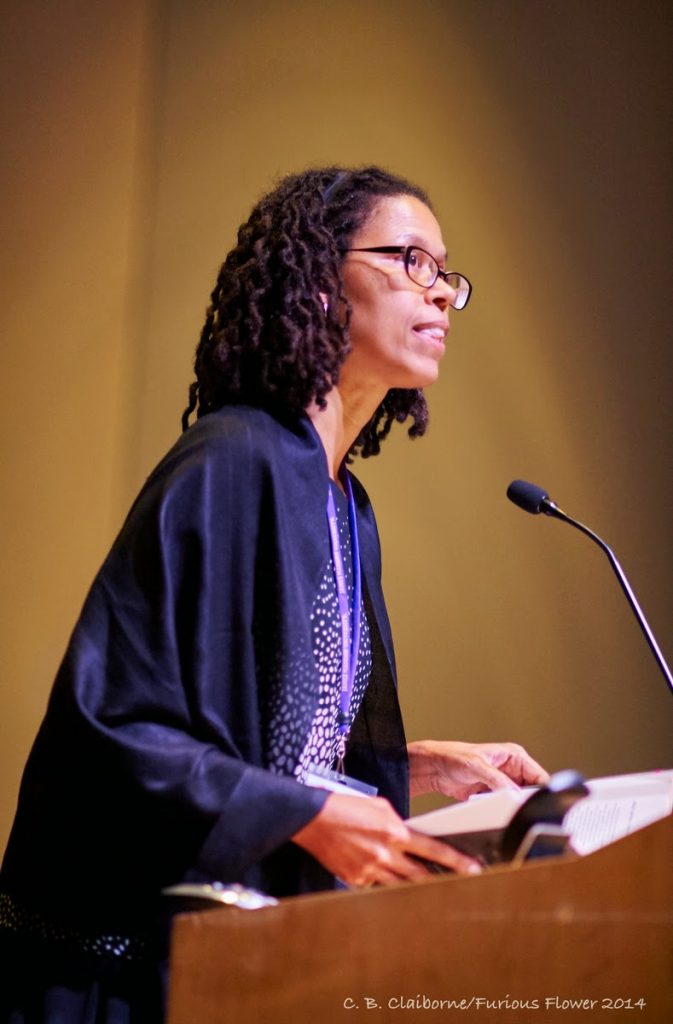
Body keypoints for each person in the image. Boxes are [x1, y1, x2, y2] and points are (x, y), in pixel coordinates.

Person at [0, 166, 548, 1021]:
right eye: (410, 261)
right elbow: (114, 731)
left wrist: (415, 765)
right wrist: (303, 810)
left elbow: (256, 745)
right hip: (111, 977)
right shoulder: (230, 463)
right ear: (323, 282)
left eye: (446, 274)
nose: (440, 294)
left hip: (243, 964)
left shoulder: (343, 504)